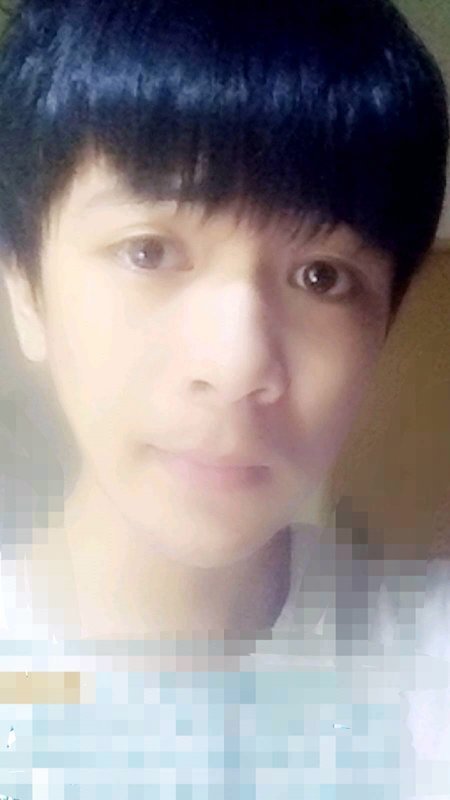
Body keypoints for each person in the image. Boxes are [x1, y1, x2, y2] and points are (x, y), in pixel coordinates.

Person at [0, 0, 447, 797]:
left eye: (322, 277)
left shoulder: (423, 667)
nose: (238, 364)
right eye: (148, 251)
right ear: (26, 292)